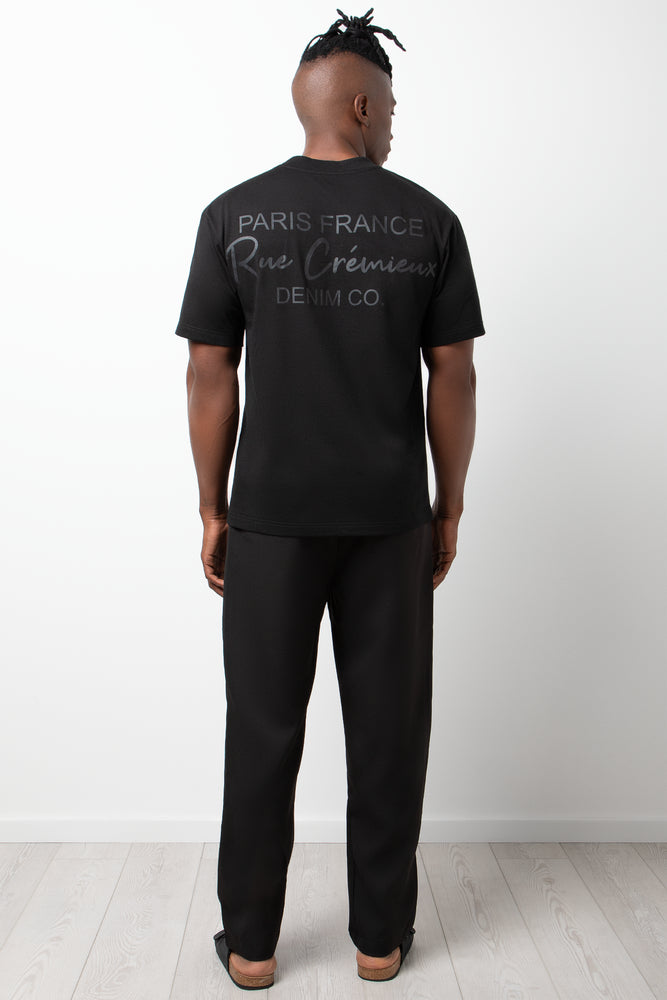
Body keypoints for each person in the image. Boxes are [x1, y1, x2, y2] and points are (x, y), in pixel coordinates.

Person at [174, 6, 486, 990]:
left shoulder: (233, 216)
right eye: (388, 105)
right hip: (389, 517)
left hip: (270, 517)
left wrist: (213, 506)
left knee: (261, 732)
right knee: (388, 732)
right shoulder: (428, 220)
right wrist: (447, 504)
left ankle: (252, 946)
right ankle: (380, 942)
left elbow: (209, 371)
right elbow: (453, 375)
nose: (393, 121)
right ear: (360, 105)